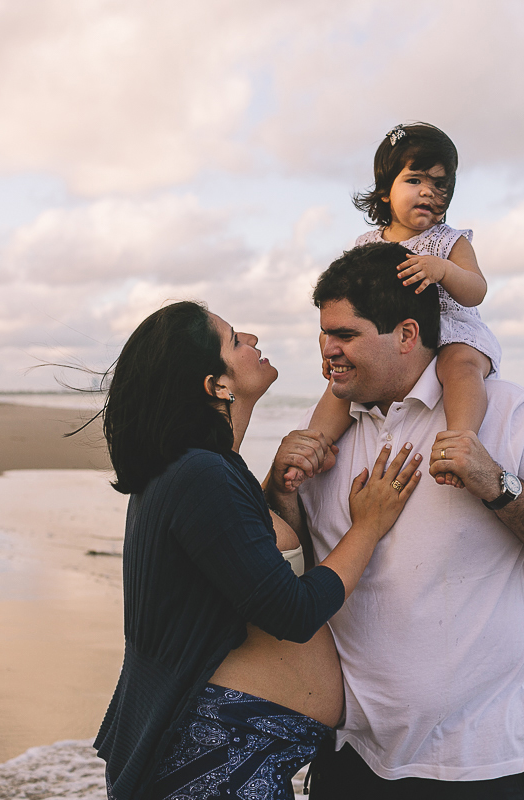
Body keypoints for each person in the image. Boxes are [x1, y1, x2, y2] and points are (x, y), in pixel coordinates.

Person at [265, 243, 524, 799]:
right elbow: (294, 572)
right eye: (324, 335)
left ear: (407, 334)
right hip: (348, 752)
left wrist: (497, 483)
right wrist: (278, 484)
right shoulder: (326, 436)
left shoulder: (506, 413)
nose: (328, 350)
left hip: (475, 761)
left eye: (347, 335)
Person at [92, 300, 423, 800]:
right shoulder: (200, 474)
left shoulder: (207, 469)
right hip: (217, 759)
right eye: (233, 340)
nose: (250, 336)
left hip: (233, 752)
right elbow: (290, 612)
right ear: (217, 386)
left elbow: (244, 566)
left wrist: (278, 490)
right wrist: (368, 526)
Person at [285, 122, 499, 490]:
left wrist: (444, 270)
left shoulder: (449, 241)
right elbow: (347, 306)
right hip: (389, 340)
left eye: (440, 184)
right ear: (385, 191)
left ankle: (459, 443)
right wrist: (334, 352)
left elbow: (475, 291)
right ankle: (314, 446)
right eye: (415, 180)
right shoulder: (368, 243)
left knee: (461, 368)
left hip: (451, 331)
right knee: (342, 389)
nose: (429, 192)